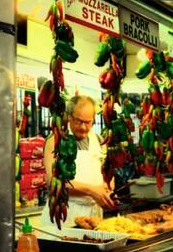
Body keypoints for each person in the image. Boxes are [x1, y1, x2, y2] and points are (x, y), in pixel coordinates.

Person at [41, 95, 117, 228]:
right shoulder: (55, 141)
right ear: (69, 116)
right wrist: (92, 190)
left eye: (88, 122)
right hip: (65, 213)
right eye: (78, 121)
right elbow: (52, 182)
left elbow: (109, 175)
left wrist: (107, 189)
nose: (83, 127)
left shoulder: (100, 141)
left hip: (93, 215)